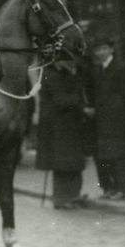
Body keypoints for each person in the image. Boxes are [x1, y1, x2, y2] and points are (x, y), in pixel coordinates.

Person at [36, 59, 93, 209]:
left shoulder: (68, 72)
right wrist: (82, 107)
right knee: (61, 162)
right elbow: (61, 100)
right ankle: (61, 198)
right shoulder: (50, 74)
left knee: (75, 160)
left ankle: (74, 194)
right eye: (66, 59)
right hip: (57, 125)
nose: (70, 62)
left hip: (71, 123)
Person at [90, 37, 125, 200]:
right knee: (103, 155)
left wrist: (124, 114)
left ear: (111, 50)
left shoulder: (120, 67)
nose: (100, 52)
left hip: (116, 118)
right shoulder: (97, 69)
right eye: (98, 49)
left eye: (104, 49)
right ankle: (108, 188)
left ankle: (123, 189)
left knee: (118, 155)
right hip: (101, 119)